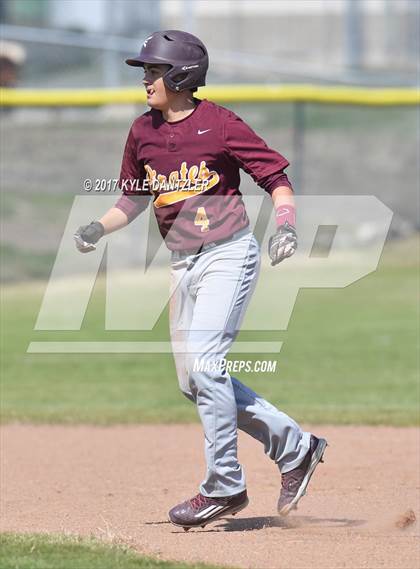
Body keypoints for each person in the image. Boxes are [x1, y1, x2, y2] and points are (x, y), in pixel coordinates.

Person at [74, 30, 327, 531]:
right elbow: (133, 197)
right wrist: (97, 227)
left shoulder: (221, 124)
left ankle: (224, 486)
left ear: (182, 75)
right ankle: (296, 448)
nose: (145, 79)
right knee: (196, 382)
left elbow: (275, 177)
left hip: (228, 255)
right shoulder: (142, 131)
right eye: (145, 71)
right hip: (181, 264)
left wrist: (286, 225)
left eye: (153, 70)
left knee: (208, 367)